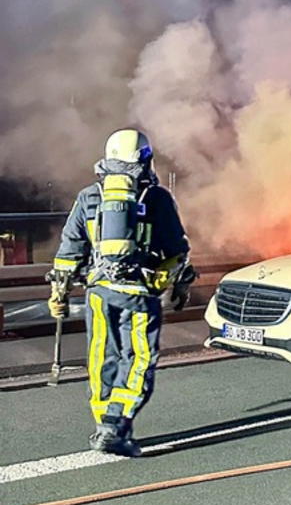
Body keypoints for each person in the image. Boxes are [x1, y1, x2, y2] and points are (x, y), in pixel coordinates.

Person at [47, 129, 194, 457]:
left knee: (102, 357)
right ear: (145, 158)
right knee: (139, 358)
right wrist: (181, 285)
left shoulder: (88, 196)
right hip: (140, 293)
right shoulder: (156, 199)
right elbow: (177, 250)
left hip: (99, 293)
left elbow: (69, 251)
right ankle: (117, 425)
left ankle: (103, 424)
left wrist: (59, 293)